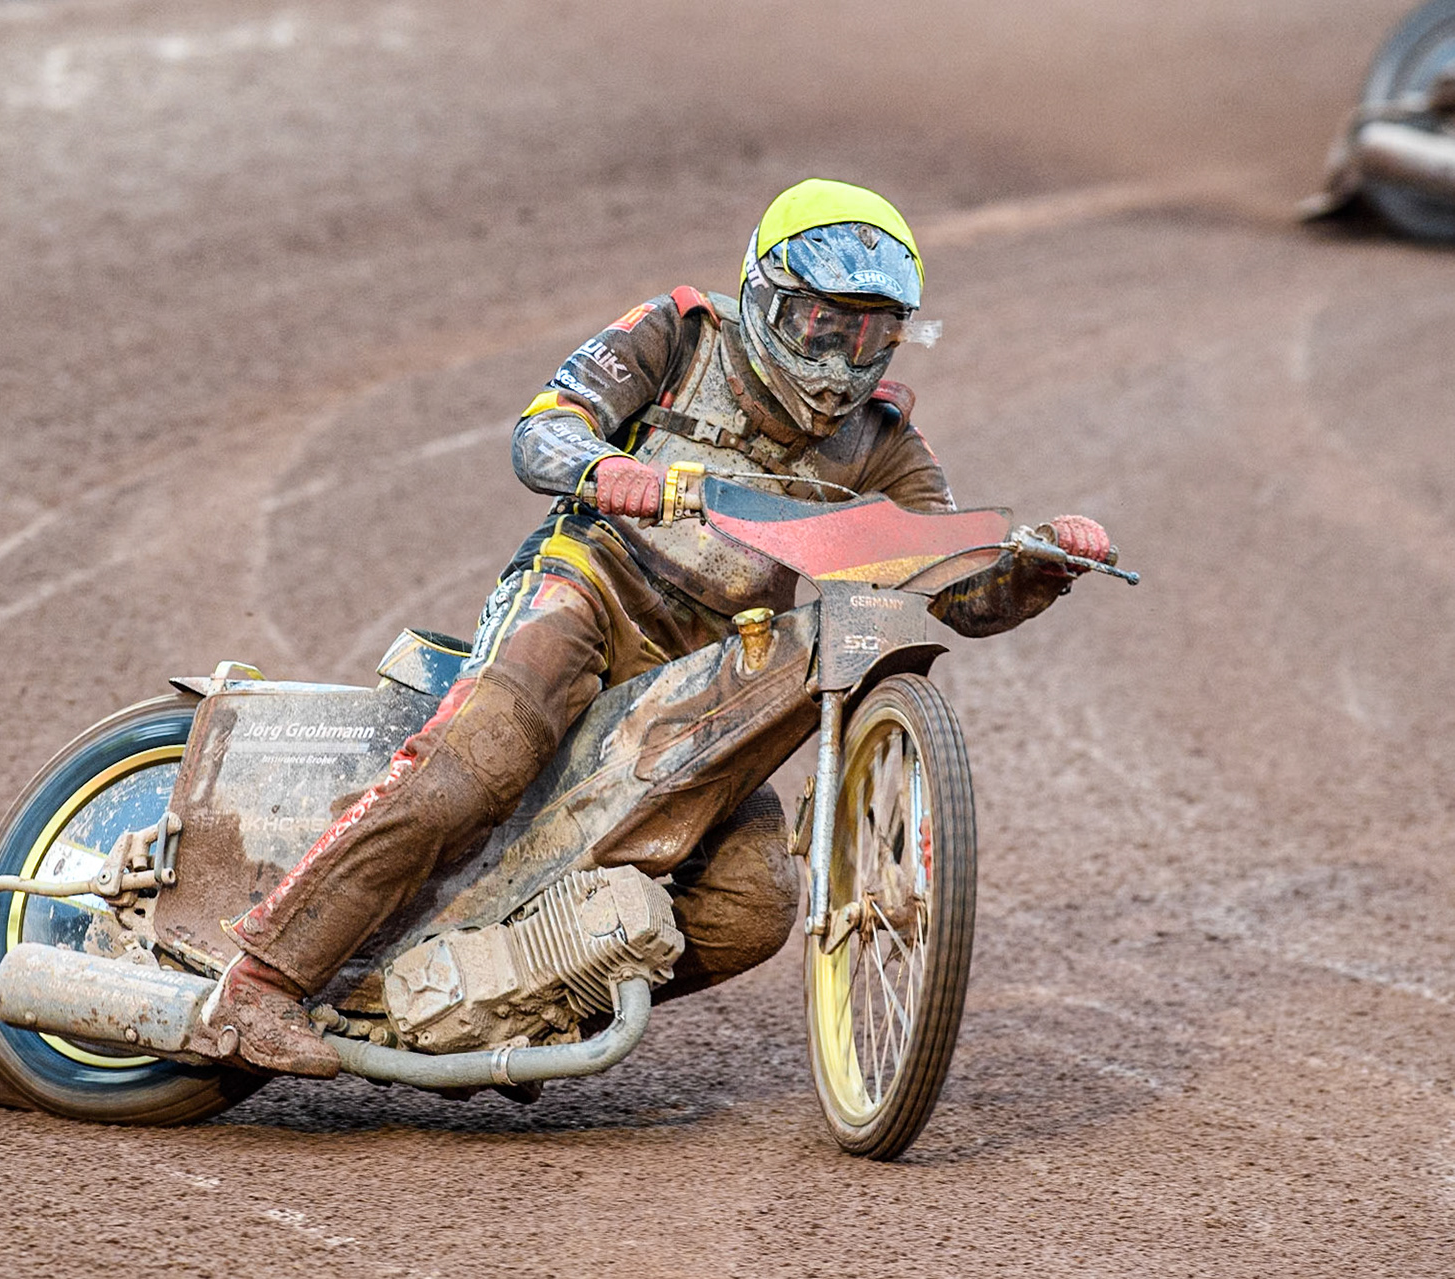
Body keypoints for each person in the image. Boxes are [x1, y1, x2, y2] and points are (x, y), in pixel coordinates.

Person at [196, 178, 1112, 1077]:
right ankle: (260, 980)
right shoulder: (678, 336)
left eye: (868, 338)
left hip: (716, 666)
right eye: (821, 328)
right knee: (481, 757)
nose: (839, 365)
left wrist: (1033, 570)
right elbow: (542, 429)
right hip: (588, 591)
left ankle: (527, 1001)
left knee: (752, 904)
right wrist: (605, 470)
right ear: (764, 300)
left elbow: (941, 579)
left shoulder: (883, 439)